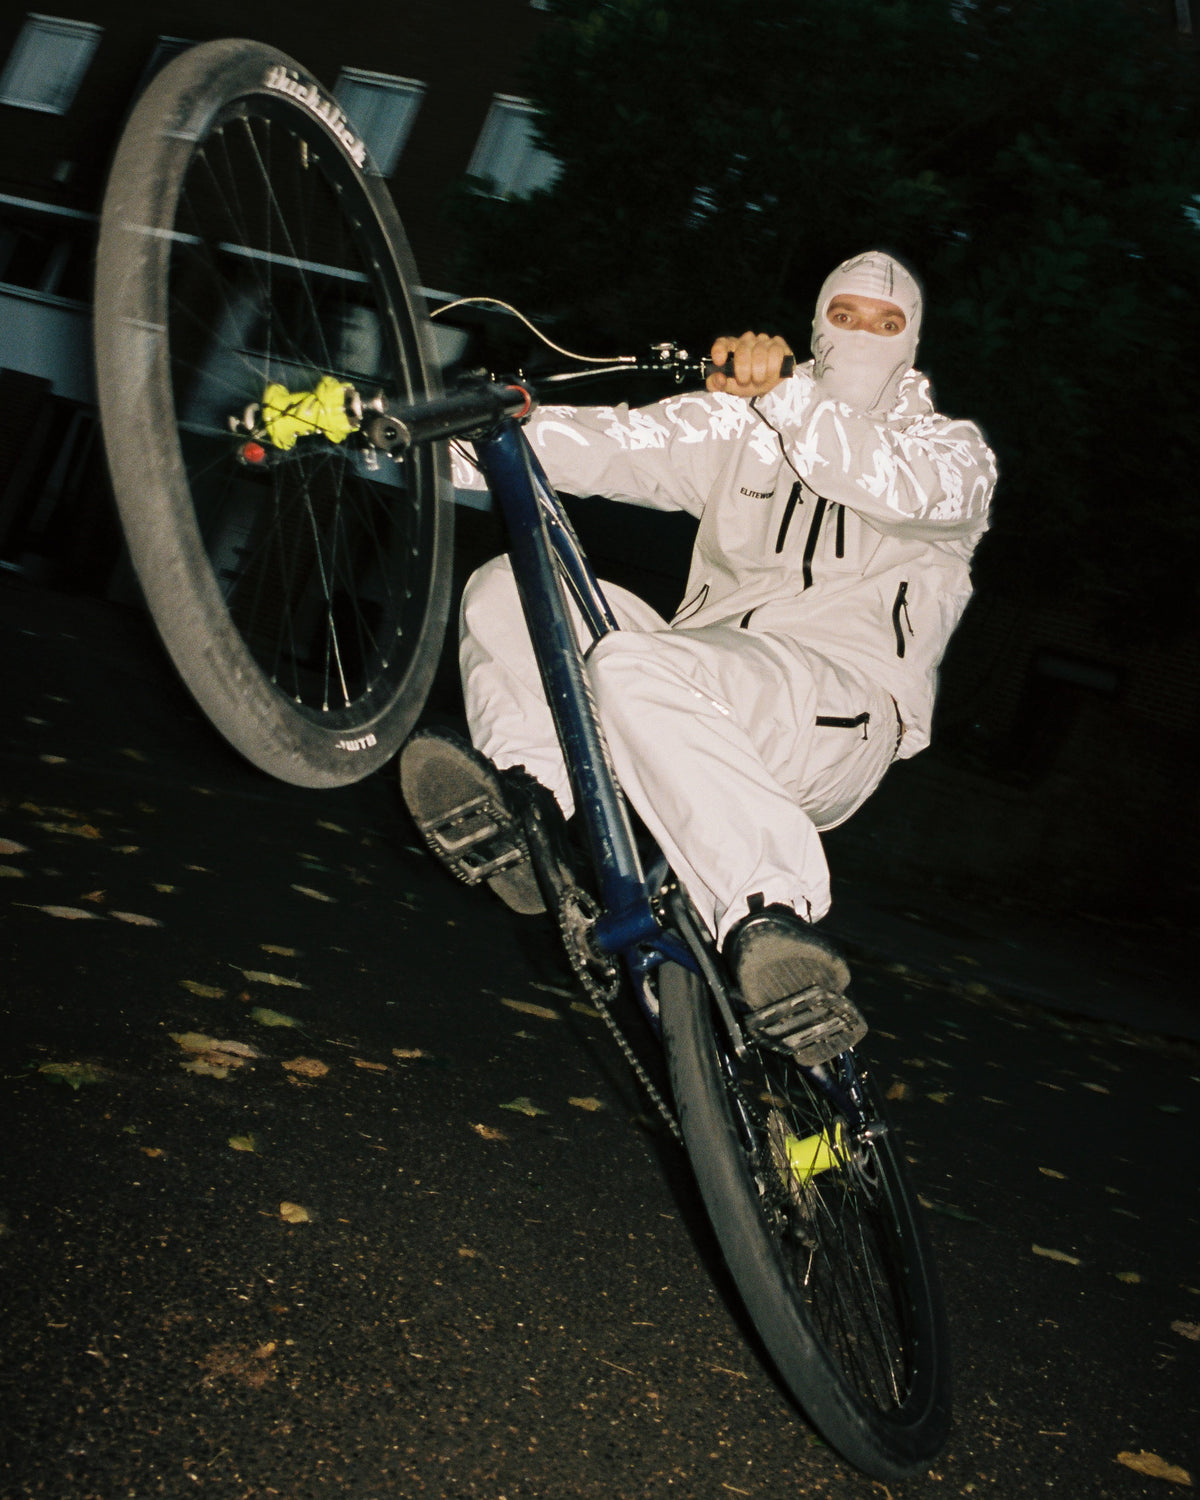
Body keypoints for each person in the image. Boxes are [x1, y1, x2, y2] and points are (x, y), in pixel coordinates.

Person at [401, 250, 997, 1064]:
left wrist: (783, 393)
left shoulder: (953, 457)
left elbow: (879, 478)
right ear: (817, 325)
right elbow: (600, 444)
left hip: (840, 716)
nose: (862, 334)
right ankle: (533, 811)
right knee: (512, 585)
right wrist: (404, 437)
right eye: (844, 316)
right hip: (695, 685)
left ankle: (772, 918)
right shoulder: (742, 427)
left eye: (885, 323)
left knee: (632, 665)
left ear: (911, 342)